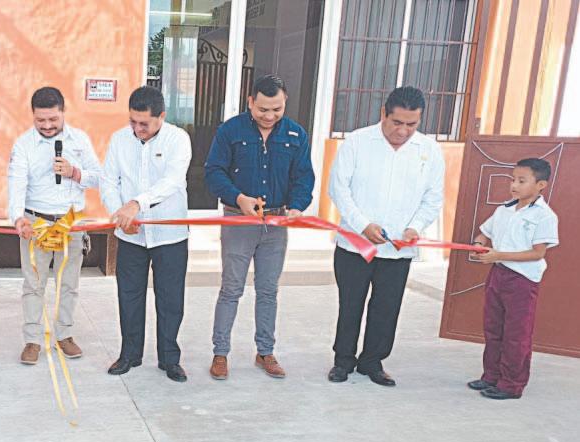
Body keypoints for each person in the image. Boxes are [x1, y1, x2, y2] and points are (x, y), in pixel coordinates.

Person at [327, 86, 444, 387]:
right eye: (397, 122)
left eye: (411, 124)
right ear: (384, 114)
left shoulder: (429, 150)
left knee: (386, 307)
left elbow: (433, 198)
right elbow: (339, 189)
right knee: (350, 304)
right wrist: (363, 225)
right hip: (355, 245)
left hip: (398, 249)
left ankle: (372, 361)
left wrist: (416, 227)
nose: (403, 131)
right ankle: (343, 360)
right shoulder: (357, 142)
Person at [203, 74, 315, 380]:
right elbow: (214, 172)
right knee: (231, 289)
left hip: (276, 223)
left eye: (277, 109)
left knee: (268, 290)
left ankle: (265, 351)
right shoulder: (230, 131)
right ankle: (220, 353)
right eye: (263, 109)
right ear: (250, 102)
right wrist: (238, 198)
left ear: (285, 103)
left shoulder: (296, 134)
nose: (269, 116)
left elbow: (304, 176)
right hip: (238, 220)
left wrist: (297, 206)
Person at [101, 86, 191, 383]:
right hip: (130, 236)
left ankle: (169, 359)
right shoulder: (119, 139)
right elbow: (108, 181)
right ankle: (129, 354)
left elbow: (172, 182)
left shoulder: (178, 139)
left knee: (170, 300)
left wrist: (136, 204)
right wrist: (120, 215)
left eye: (144, 123)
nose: (137, 129)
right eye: (133, 122)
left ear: (161, 116)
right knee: (129, 296)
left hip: (169, 235)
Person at [8, 87, 102, 365]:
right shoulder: (23, 144)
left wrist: (74, 173)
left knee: (68, 284)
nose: (47, 126)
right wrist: (17, 217)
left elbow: (100, 177)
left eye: (53, 119)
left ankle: (65, 335)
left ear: (63, 112)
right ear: (32, 116)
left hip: (71, 223)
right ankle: (32, 340)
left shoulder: (79, 140)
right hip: (35, 222)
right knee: (33, 284)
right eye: (41, 120)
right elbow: (16, 183)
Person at [467, 158, 559, 400]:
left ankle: (511, 384)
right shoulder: (504, 210)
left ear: (541, 185)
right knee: (493, 328)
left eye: (522, 180)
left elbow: (537, 253)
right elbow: (483, 233)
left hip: (522, 280)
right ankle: (491, 376)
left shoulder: (544, 216)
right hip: (498, 274)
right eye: (513, 179)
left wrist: (498, 255)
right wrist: (478, 244)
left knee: (516, 334)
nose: (514, 185)